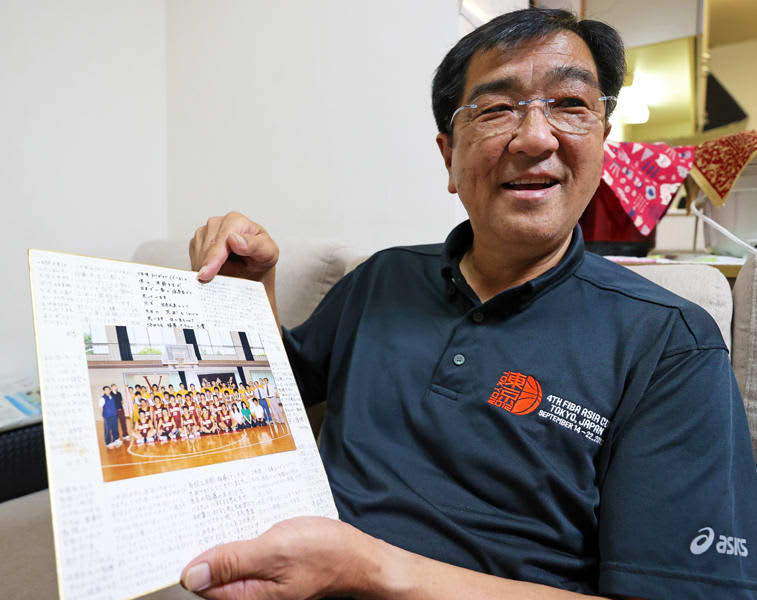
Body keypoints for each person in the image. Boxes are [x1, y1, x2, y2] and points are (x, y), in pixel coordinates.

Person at [181, 8, 757, 599]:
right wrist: (249, 292)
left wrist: (369, 569)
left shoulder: (671, 344)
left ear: (603, 142)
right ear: (449, 156)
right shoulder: (382, 278)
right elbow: (268, 404)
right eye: (497, 108)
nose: (536, 137)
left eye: (570, 104)